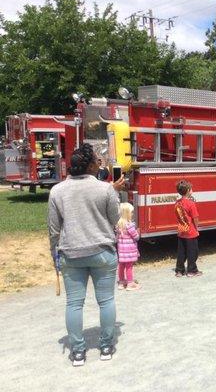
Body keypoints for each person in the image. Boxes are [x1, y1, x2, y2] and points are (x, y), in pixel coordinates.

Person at [48, 143, 124, 366]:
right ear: (91, 165)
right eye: (97, 161)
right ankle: (106, 346)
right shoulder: (106, 189)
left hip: (71, 253)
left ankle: (78, 352)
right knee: (106, 301)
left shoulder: (57, 191)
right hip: (102, 251)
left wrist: (55, 255)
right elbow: (114, 218)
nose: (99, 164)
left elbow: (54, 230)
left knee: (74, 304)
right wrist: (115, 193)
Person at [174, 180, 203, 277]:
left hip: (181, 230)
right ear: (188, 191)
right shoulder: (191, 204)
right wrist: (197, 227)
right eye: (191, 189)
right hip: (191, 231)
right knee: (192, 252)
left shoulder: (177, 203)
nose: (192, 191)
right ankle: (192, 270)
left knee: (181, 252)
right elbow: (195, 218)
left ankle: (179, 270)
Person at [116, 203, 141, 291]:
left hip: (122, 251)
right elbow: (136, 237)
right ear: (127, 213)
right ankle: (130, 283)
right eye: (132, 212)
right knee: (129, 267)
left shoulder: (119, 224)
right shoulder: (130, 225)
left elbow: (117, 237)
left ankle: (121, 282)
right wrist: (138, 232)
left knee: (121, 266)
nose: (133, 214)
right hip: (129, 251)